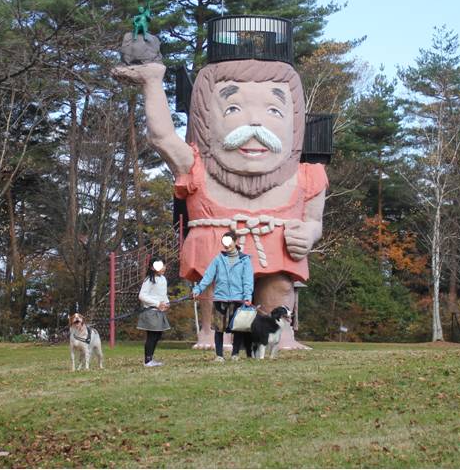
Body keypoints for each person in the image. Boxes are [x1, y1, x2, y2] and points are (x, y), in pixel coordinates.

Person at [114, 57, 326, 349]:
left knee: (278, 286)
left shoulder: (307, 176)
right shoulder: (197, 167)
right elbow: (161, 136)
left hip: (275, 251)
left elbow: (315, 221)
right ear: (204, 120)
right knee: (217, 288)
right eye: (233, 108)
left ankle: (279, 334)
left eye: (274, 110)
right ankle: (215, 334)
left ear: (295, 123)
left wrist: (309, 234)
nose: (255, 123)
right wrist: (152, 82)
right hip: (218, 251)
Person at [191, 233, 254, 361]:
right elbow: (208, 276)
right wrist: (198, 289)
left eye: (229, 241)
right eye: (224, 242)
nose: (227, 245)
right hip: (220, 299)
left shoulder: (245, 260)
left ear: (235, 241)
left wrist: (248, 296)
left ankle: (235, 354)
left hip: (237, 299)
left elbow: (248, 280)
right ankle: (219, 356)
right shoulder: (218, 259)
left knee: (238, 328)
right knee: (219, 328)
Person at [137, 259, 171, 367]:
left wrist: (166, 303)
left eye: (163, 266)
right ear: (152, 268)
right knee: (152, 335)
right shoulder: (149, 280)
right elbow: (142, 296)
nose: (163, 268)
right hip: (150, 311)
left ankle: (150, 358)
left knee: (158, 334)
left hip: (160, 312)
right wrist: (157, 303)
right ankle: (147, 361)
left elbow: (163, 294)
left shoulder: (163, 279)